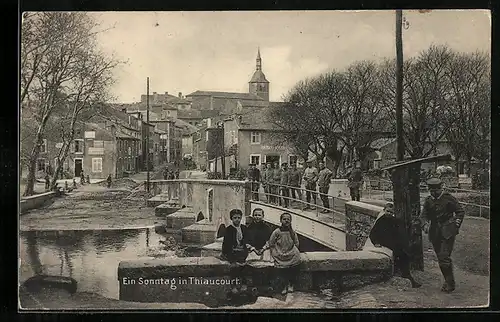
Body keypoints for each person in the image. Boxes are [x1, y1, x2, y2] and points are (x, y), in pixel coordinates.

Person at [420, 177, 465, 293]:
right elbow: (423, 215)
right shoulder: (428, 200)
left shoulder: (449, 199)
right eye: (431, 191)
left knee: (444, 257)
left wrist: (455, 225)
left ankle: (450, 284)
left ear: (441, 189)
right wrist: (424, 224)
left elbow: (460, 211)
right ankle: (448, 280)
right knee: (441, 258)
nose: (434, 193)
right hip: (435, 232)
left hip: (447, 232)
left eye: (436, 191)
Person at [370, 202, 422, 288]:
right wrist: (376, 243)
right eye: (388, 211)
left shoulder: (395, 221)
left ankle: (406, 275)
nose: (389, 214)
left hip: (394, 242)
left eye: (391, 212)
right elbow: (373, 234)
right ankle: (406, 276)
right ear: (384, 210)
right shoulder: (380, 221)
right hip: (385, 242)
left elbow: (399, 234)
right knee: (402, 255)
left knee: (405, 253)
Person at [261, 212, 301, 295]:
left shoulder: (292, 232)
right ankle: (283, 286)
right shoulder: (277, 232)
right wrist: (275, 252)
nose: (286, 221)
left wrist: (293, 250)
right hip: (280, 254)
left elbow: (296, 243)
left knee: (293, 268)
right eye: (284, 219)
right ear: (280, 220)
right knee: (282, 271)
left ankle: (290, 284)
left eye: (288, 219)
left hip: (290, 253)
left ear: (290, 221)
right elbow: (271, 243)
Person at [221, 209, 257, 294]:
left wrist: (247, 246)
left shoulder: (244, 228)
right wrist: (227, 254)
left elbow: (247, 239)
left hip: (242, 252)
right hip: (232, 252)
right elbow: (226, 244)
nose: (237, 219)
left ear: (241, 218)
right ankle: (233, 286)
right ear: (231, 219)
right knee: (234, 269)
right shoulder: (229, 229)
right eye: (235, 218)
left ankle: (244, 283)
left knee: (243, 269)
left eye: (239, 218)